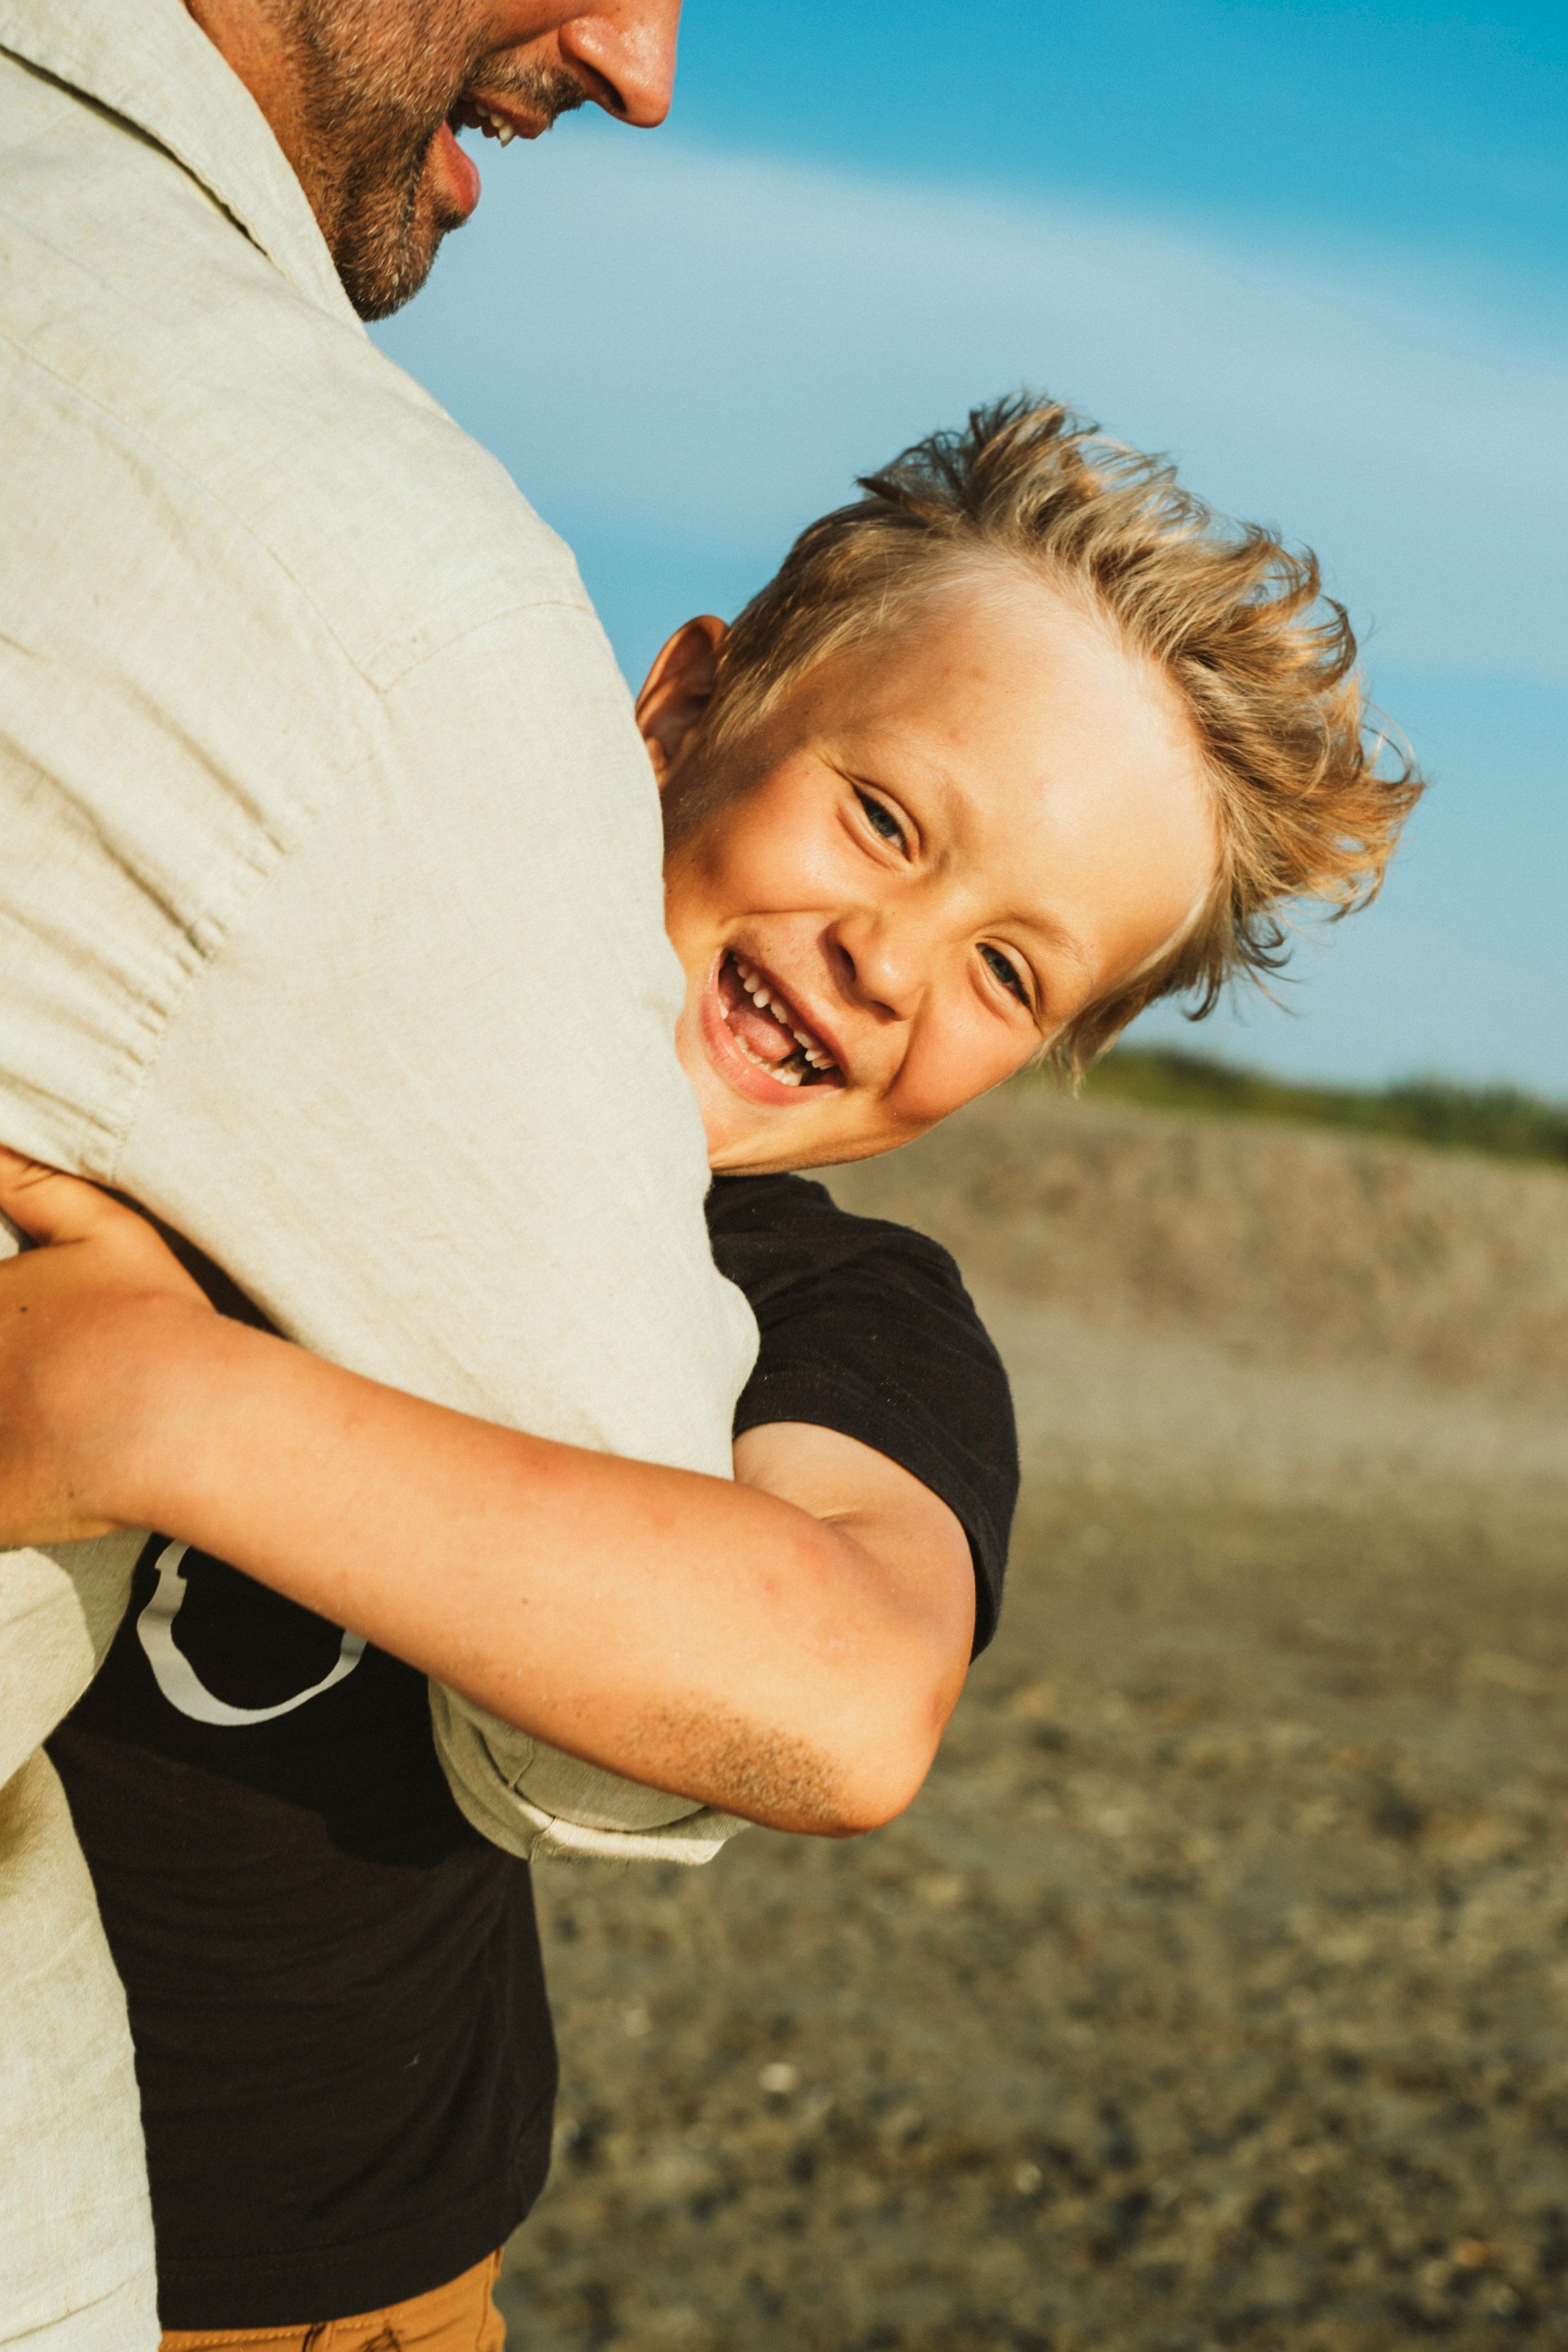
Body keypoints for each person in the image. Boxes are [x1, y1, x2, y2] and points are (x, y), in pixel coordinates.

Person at [0, 403, 1423, 2348]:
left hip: (307, 2288)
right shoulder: (268, 989)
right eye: (887, 820)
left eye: (1011, 971)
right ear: (682, 703)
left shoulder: (840, 1313)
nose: (890, 957)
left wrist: (163, 1407)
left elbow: (841, 1699)